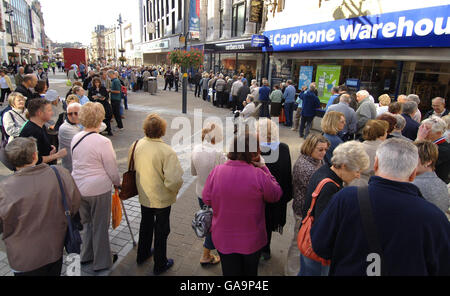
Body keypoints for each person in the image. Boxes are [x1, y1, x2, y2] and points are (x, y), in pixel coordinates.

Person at [310, 138, 450, 276]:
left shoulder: (346, 198)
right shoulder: (435, 218)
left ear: (375, 164)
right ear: (413, 174)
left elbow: (320, 246)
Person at [202, 131, 282, 276]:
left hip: (224, 238)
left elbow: (206, 199)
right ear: (255, 152)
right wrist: (264, 167)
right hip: (252, 239)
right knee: (250, 274)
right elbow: (276, 194)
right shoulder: (259, 175)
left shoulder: (217, 171)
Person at [0, 137, 81, 276]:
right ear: (34, 155)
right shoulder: (59, 173)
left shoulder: (4, 189)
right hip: (54, 248)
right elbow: (74, 204)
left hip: (23, 258)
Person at [299, 141, 370, 276]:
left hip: (308, 242)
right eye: (357, 171)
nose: (358, 175)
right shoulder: (330, 187)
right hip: (317, 251)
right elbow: (325, 227)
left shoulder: (325, 170)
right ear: (343, 166)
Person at [71, 102, 121, 272]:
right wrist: (117, 183)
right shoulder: (103, 141)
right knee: (100, 225)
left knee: (87, 224)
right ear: (100, 118)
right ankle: (102, 261)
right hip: (98, 188)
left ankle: (86, 255)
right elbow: (111, 168)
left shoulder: (76, 137)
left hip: (78, 186)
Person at [132, 114, 183, 275]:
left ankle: (143, 253)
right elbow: (174, 180)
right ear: (162, 130)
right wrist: (172, 190)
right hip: (161, 197)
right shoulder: (166, 151)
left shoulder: (137, 144)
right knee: (161, 230)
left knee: (145, 224)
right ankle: (160, 263)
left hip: (144, 193)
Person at [286, 134, 329, 276]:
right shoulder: (306, 167)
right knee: (298, 242)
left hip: (305, 208)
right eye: (320, 150)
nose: (323, 153)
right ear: (310, 148)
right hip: (303, 210)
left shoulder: (315, 161)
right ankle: (291, 271)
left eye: (325, 150)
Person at [191, 122, 226, 266]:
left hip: (200, 192)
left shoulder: (196, 149)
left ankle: (210, 249)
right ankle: (206, 254)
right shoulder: (219, 154)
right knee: (213, 224)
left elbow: (193, 172)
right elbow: (225, 178)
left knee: (208, 221)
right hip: (215, 196)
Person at [258, 118, 293, 261]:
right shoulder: (283, 148)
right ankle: (265, 250)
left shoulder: (253, 148)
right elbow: (287, 174)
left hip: (256, 198)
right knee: (268, 223)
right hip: (275, 197)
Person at [19, 98, 67, 165]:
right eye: (49, 110)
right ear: (39, 113)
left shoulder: (41, 126)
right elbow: (34, 160)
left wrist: (50, 148)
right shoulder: (32, 132)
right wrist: (57, 155)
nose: (52, 113)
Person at [412, 140, 450, 213]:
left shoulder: (414, 186)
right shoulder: (441, 184)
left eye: (413, 158)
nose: (408, 162)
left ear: (428, 162)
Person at [349, 120, 389, 186]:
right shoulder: (386, 151)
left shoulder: (355, 147)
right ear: (382, 133)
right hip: (373, 185)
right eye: (386, 131)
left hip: (353, 183)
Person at [416, 116, 450, 184]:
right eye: (422, 128)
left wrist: (419, 140)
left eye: (427, 129)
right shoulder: (426, 143)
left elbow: (416, 161)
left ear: (438, 133)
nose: (422, 132)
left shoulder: (444, 149)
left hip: (435, 184)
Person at [58, 102, 82, 172]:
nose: (73, 116)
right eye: (70, 114)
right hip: (71, 168)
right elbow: (84, 140)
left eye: (76, 113)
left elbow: (103, 125)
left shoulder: (78, 124)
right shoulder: (65, 128)